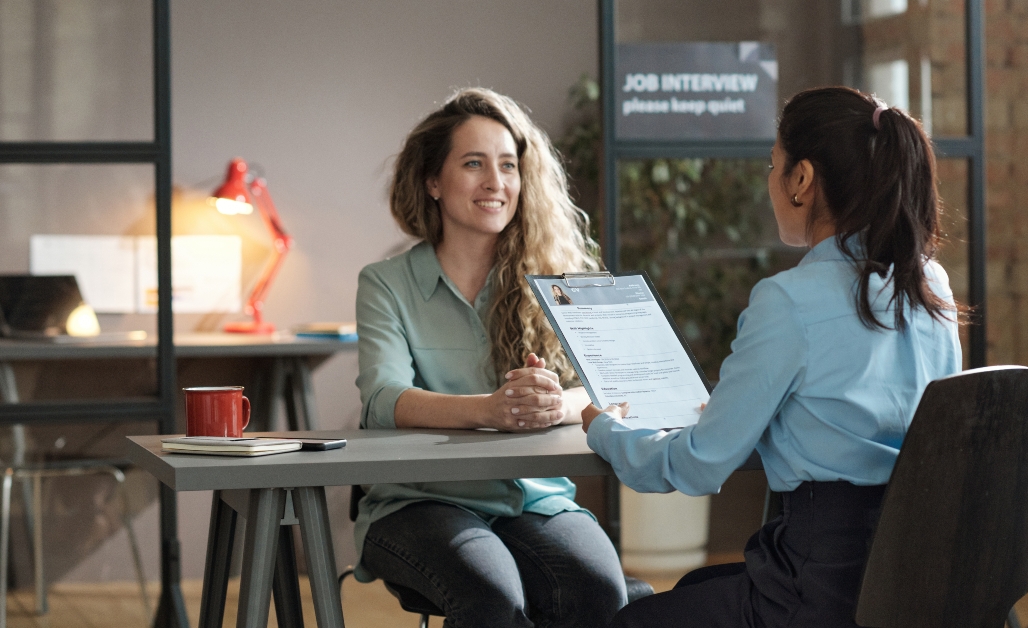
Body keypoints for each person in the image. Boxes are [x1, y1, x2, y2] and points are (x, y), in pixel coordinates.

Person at [582, 86, 964, 628]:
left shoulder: (789, 300)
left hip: (817, 589)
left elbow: (698, 466)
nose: (769, 181)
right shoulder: (931, 285)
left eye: (773, 164)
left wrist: (605, 431)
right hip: (915, 581)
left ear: (802, 179)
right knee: (697, 589)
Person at [354, 87, 626, 628]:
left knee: (599, 593)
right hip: (419, 503)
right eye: (473, 163)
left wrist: (552, 404)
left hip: (536, 499)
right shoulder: (384, 283)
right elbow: (384, 399)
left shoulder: (558, 280)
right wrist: (491, 410)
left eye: (508, 166)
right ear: (433, 181)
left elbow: (611, 388)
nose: (495, 182)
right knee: (492, 600)